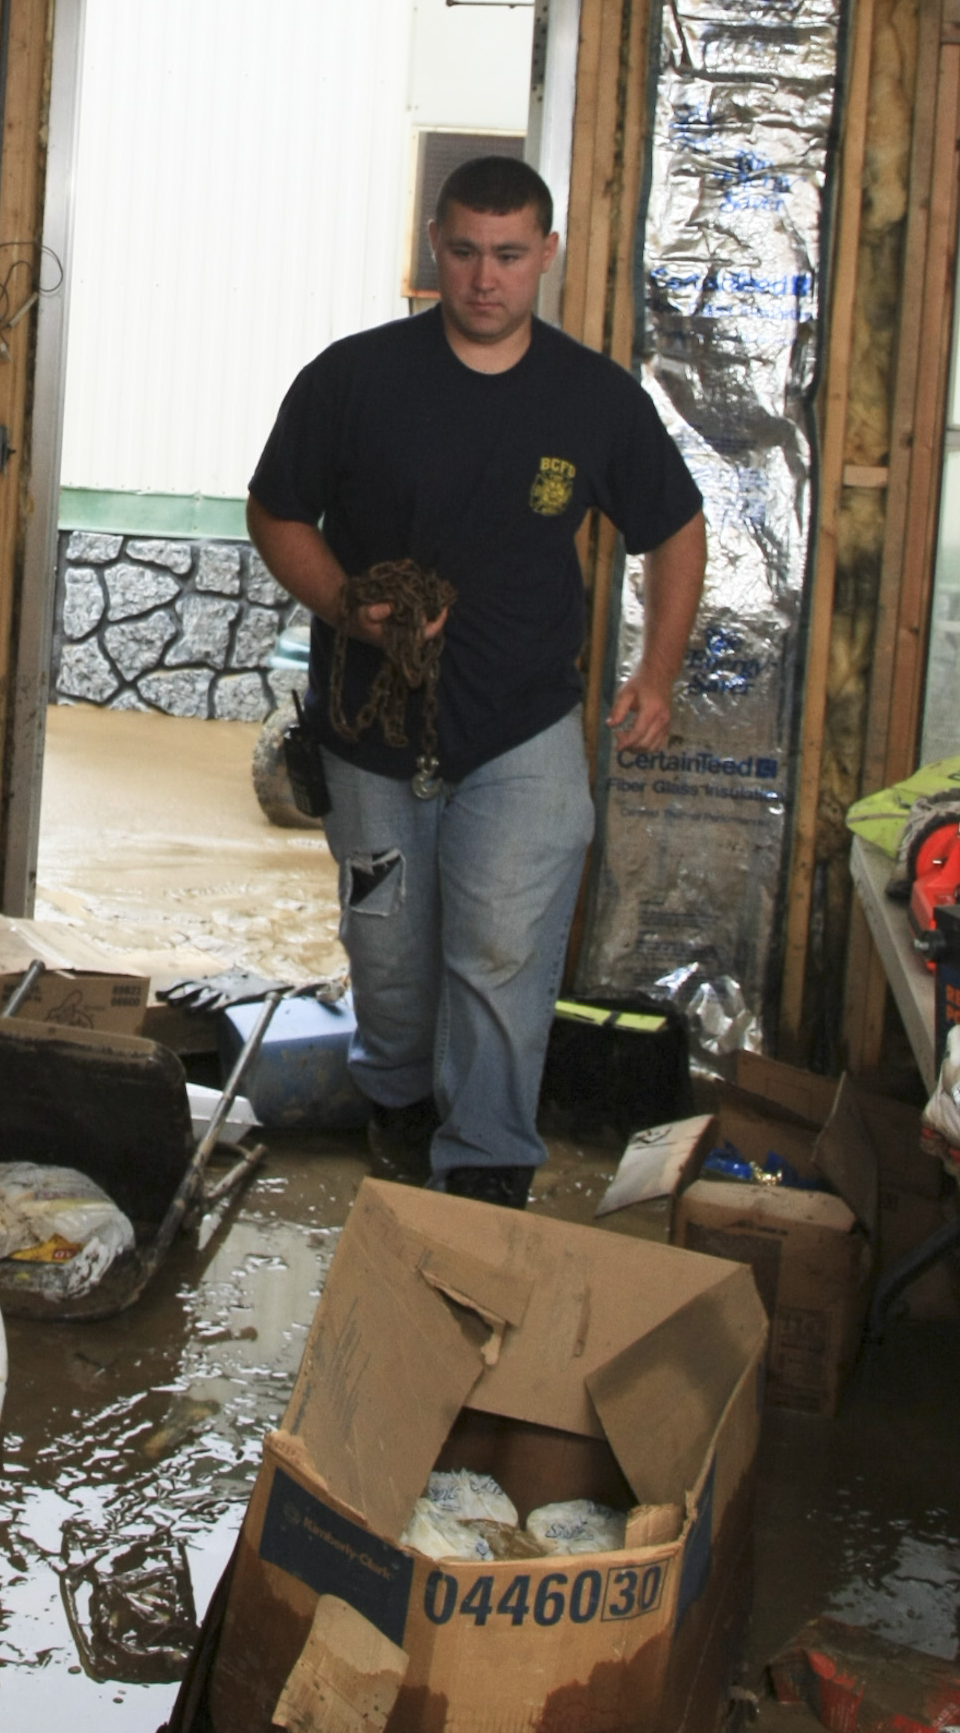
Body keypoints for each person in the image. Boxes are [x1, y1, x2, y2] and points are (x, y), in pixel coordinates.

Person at [246, 156, 705, 1210]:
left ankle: (487, 1168)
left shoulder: (592, 399)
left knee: (498, 958)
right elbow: (275, 513)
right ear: (433, 247)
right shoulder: (352, 379)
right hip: (370, 737)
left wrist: (657, 672)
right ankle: (398, 1107)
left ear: (544, 254)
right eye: (462, 252)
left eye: (507, 255)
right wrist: (344, 607)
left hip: (521, 728)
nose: (483, 278)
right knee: (392, 966)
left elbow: (673, 529)